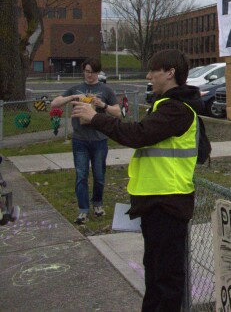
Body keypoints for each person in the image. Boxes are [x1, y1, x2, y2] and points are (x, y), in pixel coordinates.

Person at [73, 49, 204, 312]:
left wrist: (96, 118)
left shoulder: (177, 109)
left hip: (168, 202)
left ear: (170, 73)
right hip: (155, 202)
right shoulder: (164, 105)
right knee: (155, 276)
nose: (148, 76)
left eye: (153, 70)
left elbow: (138, 134)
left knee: (166, 281)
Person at [50, 58, 121, 224]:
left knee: (99, 175)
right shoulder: (76, 89)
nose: (90, 75)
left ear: (98, 73)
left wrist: (102, 104)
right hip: (80, 139)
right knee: (81, 175)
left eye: (93, 72)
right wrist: (72, 97)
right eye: (88, 72)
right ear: (83, 71)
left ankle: (97, 204)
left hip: (99, 140)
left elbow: (117, 112)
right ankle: (83, 210)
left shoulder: (106, 90)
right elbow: (55, 103)